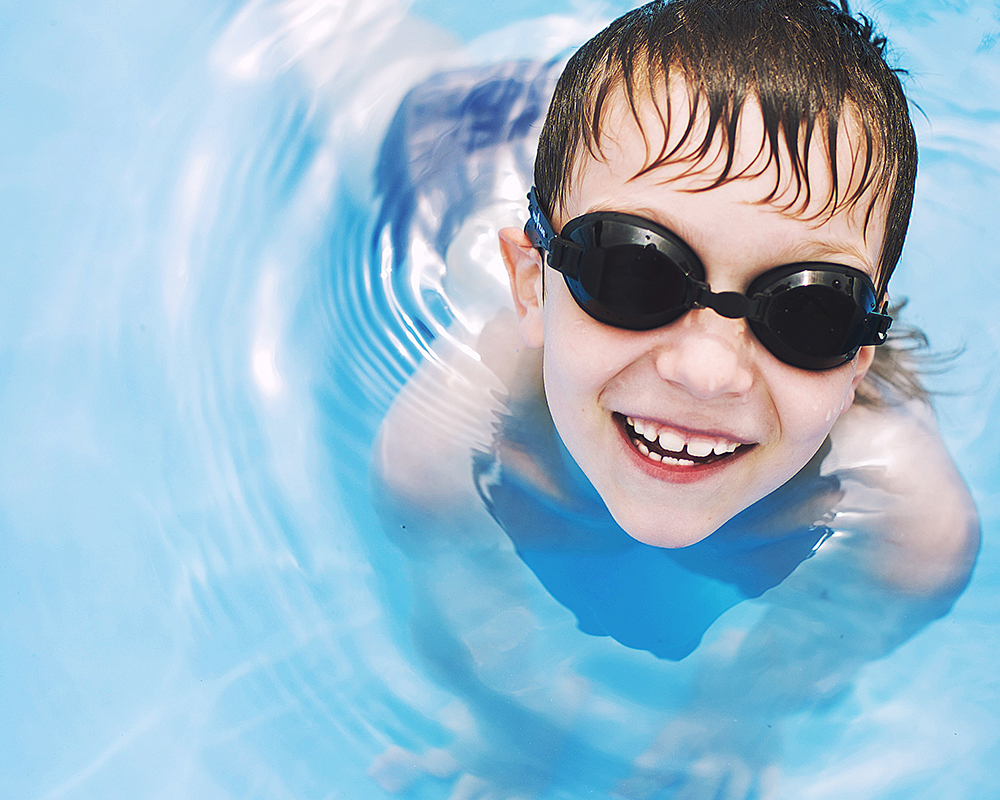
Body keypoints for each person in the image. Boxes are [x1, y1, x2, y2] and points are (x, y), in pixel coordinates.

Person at [369, 1, 980, 797]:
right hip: (466, 157)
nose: (708, 371)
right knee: (343, 60)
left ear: (861, 355)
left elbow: (835, 636)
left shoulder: (911, 527)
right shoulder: (440, 445)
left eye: (809, 310)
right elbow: (470, 607)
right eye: (634, 269)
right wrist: (507, 726)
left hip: (613, 159)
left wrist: (739, 715)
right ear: (531, 285)